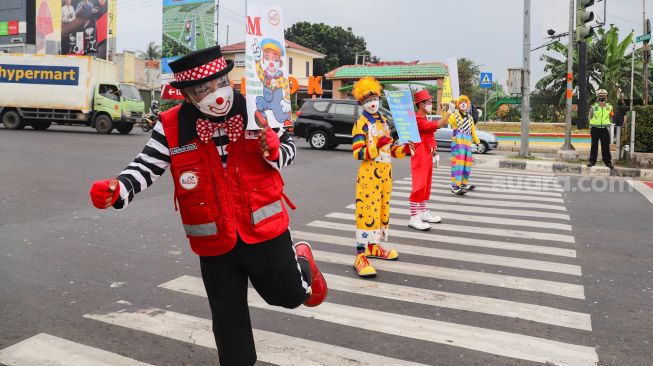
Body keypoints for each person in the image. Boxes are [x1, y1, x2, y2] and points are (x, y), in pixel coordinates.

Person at [88, 45, 327, 366]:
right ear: (187, 95)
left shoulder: (257, 107)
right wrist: (118, 189)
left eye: (221, 84)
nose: (217, 94)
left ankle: (302, 261)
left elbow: (288, 148)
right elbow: (145, 166)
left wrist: (273, 149)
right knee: (228, 321)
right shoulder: (170, 125)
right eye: (204, 89)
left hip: (264, 231)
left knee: (288, 297)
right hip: (214, 242)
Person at [351, 77, 414, 277]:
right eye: (367, 99)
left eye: (375, 97)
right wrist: (376, 146)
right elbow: (358, 153)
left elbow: (392, 148)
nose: (372, 102)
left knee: (381, 211)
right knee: (366, 212)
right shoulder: (360, 124)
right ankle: (360, 256)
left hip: (386, 175)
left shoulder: (384, 121)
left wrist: (405, 149)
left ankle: (374, 247)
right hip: (369, 175)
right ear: (361, 102)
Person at [407, 89, 452, 231]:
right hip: (419, 153)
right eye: (428, 102)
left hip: (426, 153)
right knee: (419, 184)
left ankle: (422, 212)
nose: (430, 104)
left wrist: (434, 153)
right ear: (420, 104)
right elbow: (437, 126)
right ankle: (413, 217)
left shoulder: (424, 117)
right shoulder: (417, 118)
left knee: (425, 184)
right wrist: (449, 112)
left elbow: (429, 137)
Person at [449, 95, 480, 195]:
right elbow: (447, 120)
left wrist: (477, 141)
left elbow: (473, 131)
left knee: (467, 164)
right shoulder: (454, 115)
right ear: (458, 104)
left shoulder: (470, 117)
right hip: (458, 141)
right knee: (458, 163)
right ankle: (455, 185)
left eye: (465, 102)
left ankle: (463, 183)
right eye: (461, 102)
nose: (463, 104)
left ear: (467, 105)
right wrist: (447, 111)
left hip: (467, 142)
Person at [587, 89, 614, 169]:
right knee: (594, 146)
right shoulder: (593, 107)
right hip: (595, 129)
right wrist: (591, 127)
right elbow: (590, 117)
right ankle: (592, 161)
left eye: (603, 96)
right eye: (600, 96)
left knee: (605, 146)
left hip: (604, 129)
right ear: (597, 97)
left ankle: (608, 162)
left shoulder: (610, 107)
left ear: (606, 97)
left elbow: (611, 117)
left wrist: (608, 126)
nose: (602, 97)